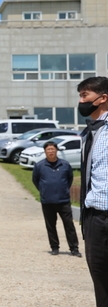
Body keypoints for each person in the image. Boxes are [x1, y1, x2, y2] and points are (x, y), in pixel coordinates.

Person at [77, 76, 108, 306]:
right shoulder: (89, 133)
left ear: (102, 98)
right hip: (93, 217)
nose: (80, 102)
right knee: (99, 278)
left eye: (84, 95)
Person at [32, 141, 81, 257]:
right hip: (47, 201)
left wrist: (63, 190)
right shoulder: (39, 166)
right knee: (50, 225)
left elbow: (69, 179)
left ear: (56, 151)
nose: (50, 152)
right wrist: (44, 191)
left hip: (63, 201)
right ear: (45, 152)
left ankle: (74, 248)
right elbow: (35, 180)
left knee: (69, 225)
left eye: (52, 149)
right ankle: (54, 247)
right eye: (48, 150)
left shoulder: (65, 165)